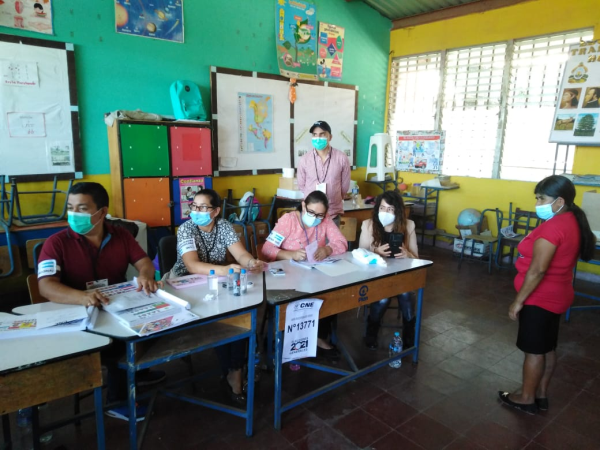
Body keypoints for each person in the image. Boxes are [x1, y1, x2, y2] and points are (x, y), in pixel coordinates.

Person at [38, 182, 164, 421]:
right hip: (78, 311)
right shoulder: (56, 243)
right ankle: (116, 401)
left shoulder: (121, 235)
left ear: (102, 212)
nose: (74, 214)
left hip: (115, 304)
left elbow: (143, 262)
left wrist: (146, 275)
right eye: (71, 208)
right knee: (116, 341)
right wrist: (82, 297)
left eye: (82, 208)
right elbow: (46, 286)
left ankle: (138, 371)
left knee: (158, 320)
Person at [499, 175, 596, 415]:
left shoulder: (554, 227)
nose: (537, 203)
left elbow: (538, 270)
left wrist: (518, 301)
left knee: (534, 350)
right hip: (559, 294)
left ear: (560, 200)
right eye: (537, 197)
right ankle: (541, 394)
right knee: (548, 347)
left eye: (542, 198)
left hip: (539, 298)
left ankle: (526, 398)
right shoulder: (572, 219)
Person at [171, 188, 265, 404]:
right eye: (194, 206)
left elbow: (240, 253)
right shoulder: (186, 229)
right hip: (184, 284)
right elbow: (192, 265)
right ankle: (234, 371)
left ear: (215, 211)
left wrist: (250, 262)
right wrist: (224, 270)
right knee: (220, 320)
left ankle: (235, 370)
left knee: (238, 314)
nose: (196, 211)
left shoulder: (223, 226)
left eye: (203, 207)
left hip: (214, 283)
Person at [261, 190, 348, 360]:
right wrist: (290, 254)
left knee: (332, 292)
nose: (315, 218)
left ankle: (318, 337)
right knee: (298, 299)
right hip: (289, 275)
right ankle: (292, 340)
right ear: (303, 206)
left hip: (315, 273)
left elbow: (341, 243)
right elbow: (267, 249)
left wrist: (327, 249)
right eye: (311, 212)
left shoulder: (326, 220)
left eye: (320, 215)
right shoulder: (289, 221)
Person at [358, 191, 419, 349]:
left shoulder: (409, 225)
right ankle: (372, 332)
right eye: (382, 208)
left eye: (391, 209)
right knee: (383, 298)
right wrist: (375, 252)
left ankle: (409, 333)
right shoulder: (368, 225)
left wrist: (408, 254)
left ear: (398, 211)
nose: (386, 212)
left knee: (406, 294)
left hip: (401, 275)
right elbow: (359, 255)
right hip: (377, 275)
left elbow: (417, 259)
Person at [297, 120, 351, 227]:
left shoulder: (341, 158)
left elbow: (344, 187)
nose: (318, 138)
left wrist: (333, 197)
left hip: (332, 213)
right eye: (315, 135)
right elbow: (302, 186)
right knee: (310, 243)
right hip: (310, 214)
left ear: (330, 137)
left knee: (331, 244)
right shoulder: (305, 160)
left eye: (322, 134)